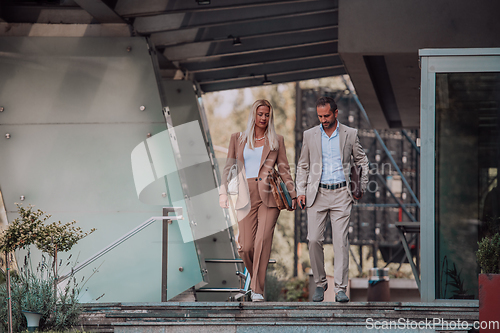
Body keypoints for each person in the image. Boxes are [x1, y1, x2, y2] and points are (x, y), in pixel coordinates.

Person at [219, 99, 297, 302]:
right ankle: (256, 281)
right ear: (253, 115)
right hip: (245, 194)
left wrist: (293, 194)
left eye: (267, 115)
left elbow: (284, 169)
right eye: (260, 114)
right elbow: (228, 167)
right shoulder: (238, 138)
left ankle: (257, 291)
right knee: (245, 246)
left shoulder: (276, 140)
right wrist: (223, 192)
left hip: (270, 194)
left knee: (262, 241)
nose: (263, 118)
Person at [296, 96, 369, 302]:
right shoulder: (309, 135)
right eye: (319, 116)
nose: (323, 119)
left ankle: (340, 289)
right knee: (313, 240)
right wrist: (300, 191)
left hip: (341, 195)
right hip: (317, 194)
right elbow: (303, 165)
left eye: (326, 115)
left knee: (341, 243)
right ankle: (320, 284)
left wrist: (360, 186)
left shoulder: (350, 134)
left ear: (336, 113)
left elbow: (361, 159)